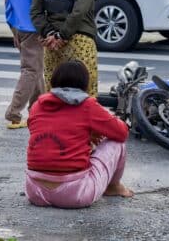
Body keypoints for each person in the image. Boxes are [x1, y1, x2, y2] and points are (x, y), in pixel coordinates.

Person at [25, 60, 133, 208]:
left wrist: (85, 134)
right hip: (75, 194)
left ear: (53, 81)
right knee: (117, 143)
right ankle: (113, 187)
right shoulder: (87, 105)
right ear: (85, 84)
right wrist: (93, 130)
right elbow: (121, 132)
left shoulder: (38, 105)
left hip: (35, 192)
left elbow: (45, 132)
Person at [4, 0, 58, 129]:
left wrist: (12, 26)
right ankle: (13, 111)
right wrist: (45, 21)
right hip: (32, 23)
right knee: (30, 69)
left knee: (36, 68)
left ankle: (36, 110)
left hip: (17, 22)